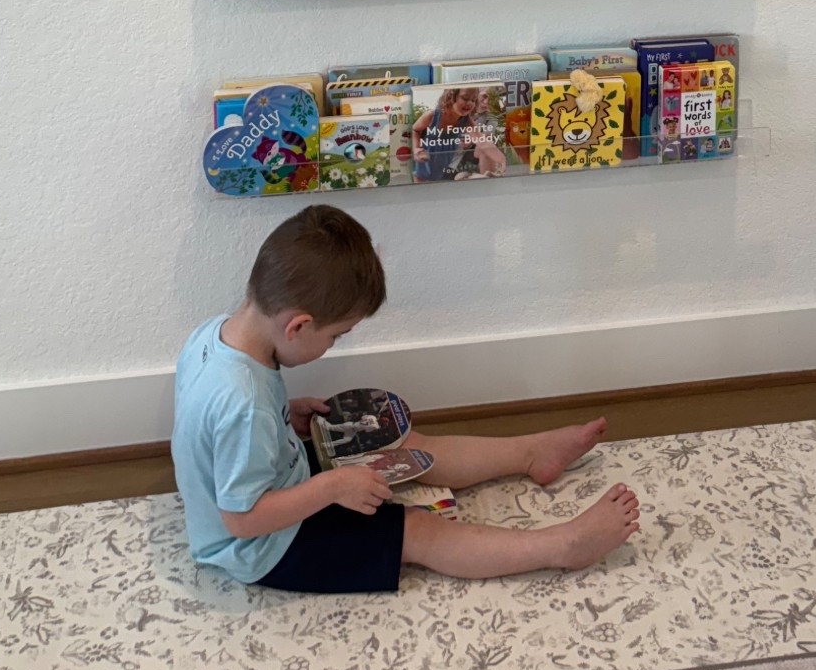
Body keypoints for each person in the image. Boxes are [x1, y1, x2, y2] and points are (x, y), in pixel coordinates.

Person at [172, 206, 639, 592]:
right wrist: (332, 487)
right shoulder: (244, 405)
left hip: (279, 476)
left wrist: (283, 418)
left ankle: (530, 452)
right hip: (265, 548)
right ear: (298, 325)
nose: (335, 346)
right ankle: (563, 546)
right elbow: (240, 518)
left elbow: (219, 430)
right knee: (416, 530)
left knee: (400, 447)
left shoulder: (215, 336)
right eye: (336, 336)